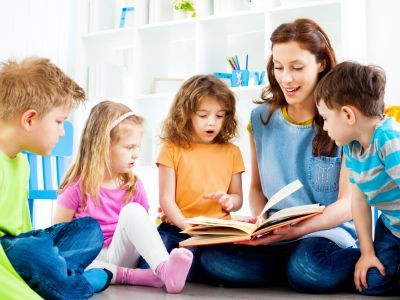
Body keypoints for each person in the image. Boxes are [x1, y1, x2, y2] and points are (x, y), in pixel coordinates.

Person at [199, 18, 360, 293]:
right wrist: (261, 220)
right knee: (214, 260)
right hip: (277, 234)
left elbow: (348, 205)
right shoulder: (260, 119)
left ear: (321, 63)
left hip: (328, 232)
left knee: (308, 268)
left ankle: (305, 270)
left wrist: (298, 230)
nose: (286, 78)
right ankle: (294, 272)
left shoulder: (343, 119)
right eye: (278, 66)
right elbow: (256, 189)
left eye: (297, 67)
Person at [0, 57, 112, 299]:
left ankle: (56, 278)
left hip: (20, 249)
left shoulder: (21, 163)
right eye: (59, 121)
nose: (62, 132)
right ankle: (82, 284)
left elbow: (25, 230)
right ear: (29, 119)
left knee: (90, 230)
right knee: (31, 251)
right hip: (10, 254)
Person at [53, 100, 193, 294]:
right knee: (66, 259)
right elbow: (56, 237)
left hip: (122, 253)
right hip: (90, 259)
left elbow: (142, 230)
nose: (136, 154)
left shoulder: (133, 185)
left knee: (133, 211)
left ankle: (164, 268)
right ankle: (136, 277)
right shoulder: (77, 186)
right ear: (102, 146)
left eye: (137, 147)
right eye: (129, 148)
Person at [315, 61, 400, 296]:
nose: (324, 128)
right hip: (392, 228)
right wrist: (367, 253)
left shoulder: (389, 141)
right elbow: (359, 202)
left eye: (325, 118)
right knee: (372, 284)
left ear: (348, 115)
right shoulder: (351, 148)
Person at [155, 74, 245, 280]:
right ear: (185, 114)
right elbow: (166, 199)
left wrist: (229, 200)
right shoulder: (171, 149)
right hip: (177, 228)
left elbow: (238, 198)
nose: (212, 123)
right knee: (151, 260)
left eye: (220, 116)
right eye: (203, 115)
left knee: (219, 262)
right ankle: (192, 266)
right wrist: (188, 227)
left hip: (216, 233)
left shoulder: (232, 152)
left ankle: (194, 267)